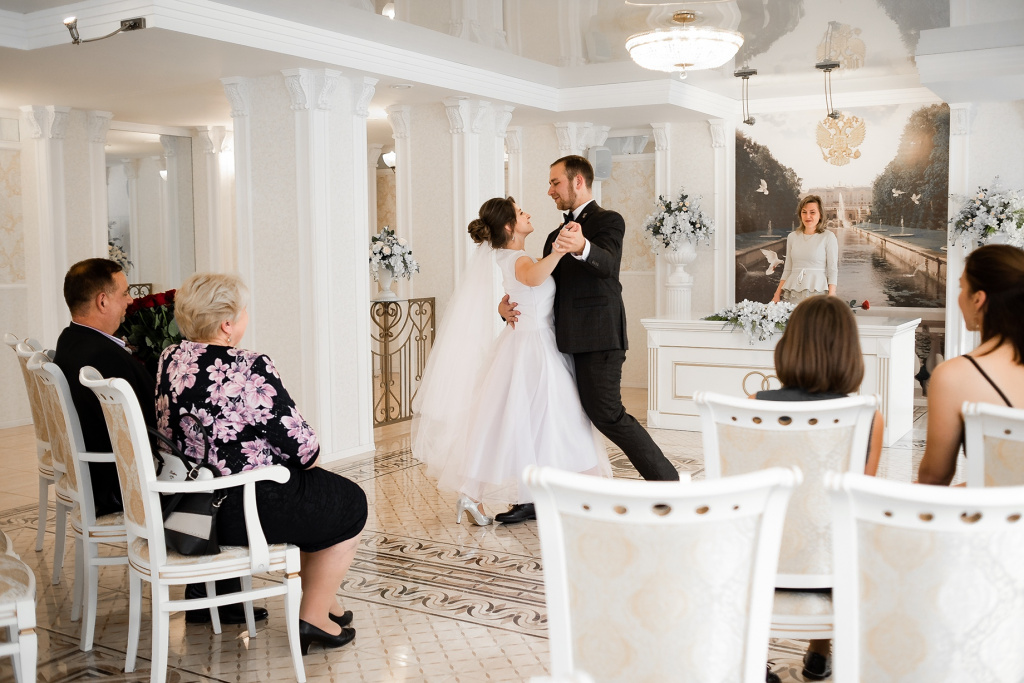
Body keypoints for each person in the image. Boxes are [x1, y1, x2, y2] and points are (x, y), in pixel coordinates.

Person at [156, 273, 367, 653]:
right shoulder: (247, 366)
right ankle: (312, 619)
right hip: (239, 508)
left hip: (189, 504)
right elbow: (304, 450)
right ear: (227, 324)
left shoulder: (171, 358)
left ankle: (326, 601)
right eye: (243, 311)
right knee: (349, 502)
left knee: (319, 495)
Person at [413, 198, 610, 525]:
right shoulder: (519, 259)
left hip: (526, 345)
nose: (527, 214)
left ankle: (477, 494)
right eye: (520, 213)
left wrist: (505, 307)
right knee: (560, 419)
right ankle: (587, 492)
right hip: (534, 350)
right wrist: (559, 251)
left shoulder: (513, 257)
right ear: (509, 226)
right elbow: (532, 278)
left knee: (517, 423)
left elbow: (527, 287)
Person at [499, 155, 679, 503]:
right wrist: (503, 308)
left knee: (607, 414)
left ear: (578, 181)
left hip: (599, 339)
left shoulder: (609, 221)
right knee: (553, 419)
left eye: (555, 182)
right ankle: (541, 495)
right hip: (560, 343)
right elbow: (539, 288)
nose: (550, 190)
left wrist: (582, 246)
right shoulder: (552, 236)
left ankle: (668, 484)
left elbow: (608, 264)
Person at [754, 295, 884, 682]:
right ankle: (819, 652)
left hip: (759, 561)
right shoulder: (869, 418)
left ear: (788, 345)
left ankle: (754, 657)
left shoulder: (752, 406)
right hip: (829, 569)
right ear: (849, 353)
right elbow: (857, 503)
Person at [918, 244, 1024, 486]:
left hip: (1000, 510)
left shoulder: (955, 376)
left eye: (961, 287)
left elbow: (934, 478)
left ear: (978, 300)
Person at [771, 195, 839, 304]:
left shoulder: (828, 237)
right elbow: (788, 269)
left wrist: (831, 297)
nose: (808, 216)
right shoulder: (792, 237)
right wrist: (777, 294)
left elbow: (832, 270)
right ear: (800, 214)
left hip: (818, 293)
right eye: (804, 212)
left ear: (820, 215)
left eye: (812, 212)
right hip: (793, 293)